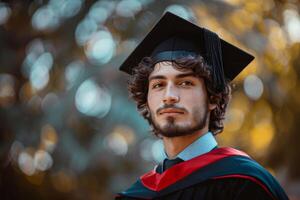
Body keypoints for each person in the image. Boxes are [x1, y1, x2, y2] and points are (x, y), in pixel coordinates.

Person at [116, 12, 289, 200]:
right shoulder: (135, 195)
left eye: (185, 83)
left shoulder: (244, 184)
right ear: (147, 99)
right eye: (158, 85)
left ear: (213, 98)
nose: (169, 96)